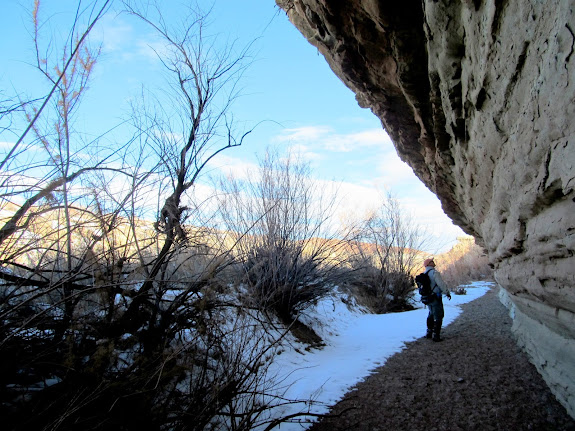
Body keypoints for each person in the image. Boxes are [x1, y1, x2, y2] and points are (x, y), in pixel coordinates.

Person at [423, 258, 451, 342]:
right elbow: (441, 284)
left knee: (431, 314)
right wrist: (447, 292)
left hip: (427, 298)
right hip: (435, 297)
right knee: (439, 315)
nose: (434, 262)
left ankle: (429, 332)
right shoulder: (435, 273)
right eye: (432, 261)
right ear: (429, 264)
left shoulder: (424, 273)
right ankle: (436, 335)